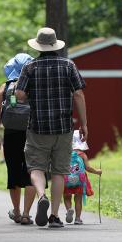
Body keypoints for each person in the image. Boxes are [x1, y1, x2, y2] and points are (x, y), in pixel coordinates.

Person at [15, 27, 88, 228]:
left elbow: (19, 96)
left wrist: (31, 94)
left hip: (38, 127)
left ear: (38, 46)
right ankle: (55, 216)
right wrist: (84, 123)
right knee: (59, 172)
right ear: (55, 44)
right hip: (64, 127)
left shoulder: (30, 67)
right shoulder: (68, 65)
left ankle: (41, 196)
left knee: (36, 167)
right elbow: (79, 94)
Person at [0, 53, 37, 225]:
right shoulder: (34, 86)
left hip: (10, 134)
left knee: (13, 173)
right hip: (31, 133)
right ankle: (26, 213)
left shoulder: (4, 88)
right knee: (32, 171)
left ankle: (16, 212)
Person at [63, 130, 101, 225]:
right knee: (78, 199)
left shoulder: (65, 153)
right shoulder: (82, 155)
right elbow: (88, 168)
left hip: (66, 178)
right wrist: (97, 171)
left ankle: (69, 210)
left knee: (67, 197)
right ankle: (78, 218)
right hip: (80, 179)